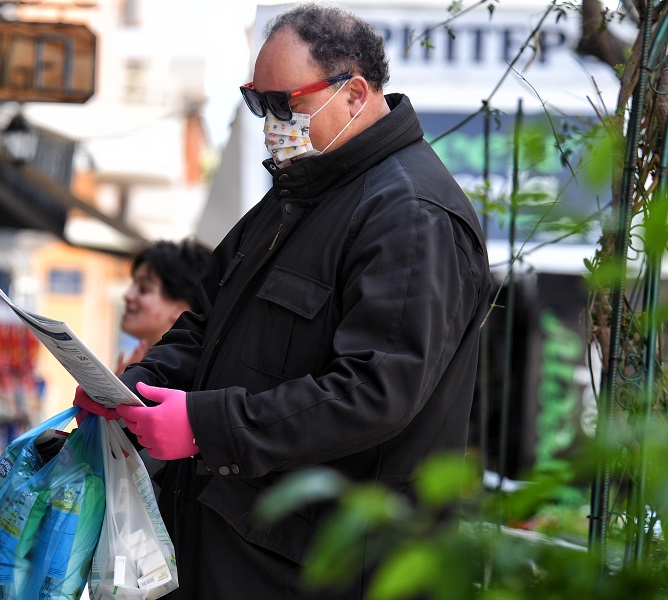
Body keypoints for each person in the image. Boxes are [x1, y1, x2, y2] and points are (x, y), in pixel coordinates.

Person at [75, 3, 491, 599]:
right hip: (232, 547)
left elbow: (375, 393)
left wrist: (203, 427)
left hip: (324, 570)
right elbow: (207, 322)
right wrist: (131, 388)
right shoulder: (299, 191)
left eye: (283, 103)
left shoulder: (410, 214)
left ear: (354, 94)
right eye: (255, 102)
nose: (269, 122)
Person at [116, 239, 212, 374]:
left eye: (144, 289)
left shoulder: (182, 378)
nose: (128, 295)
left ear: (181, 309)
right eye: (133, 284)